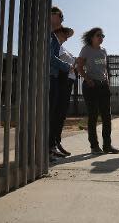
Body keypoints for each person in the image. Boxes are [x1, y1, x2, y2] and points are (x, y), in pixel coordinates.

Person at [76, 28, 119, 155]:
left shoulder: (103, 51)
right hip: (91, 86)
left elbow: (104, 68)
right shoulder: (86, 49)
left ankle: (107, 145)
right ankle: (94, 146)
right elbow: (79, 67)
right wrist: (88, 79)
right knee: (93, 115)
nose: (101, 37)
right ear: (92, 37)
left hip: (103, 86)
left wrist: (107, 81)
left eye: (102, 35)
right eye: (98, 35)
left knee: (107, 116)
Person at [54, 26, 76, 157]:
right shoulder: (57, 46)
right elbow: (58, 62)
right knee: (58, 113)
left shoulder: (63, 47)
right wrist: (71, 66)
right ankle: (54, 143)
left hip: (68, 82)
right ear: (57, 32)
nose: (67, 37)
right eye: (65, 34)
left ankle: (57, 142)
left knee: (61, 114)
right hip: (62, 81)